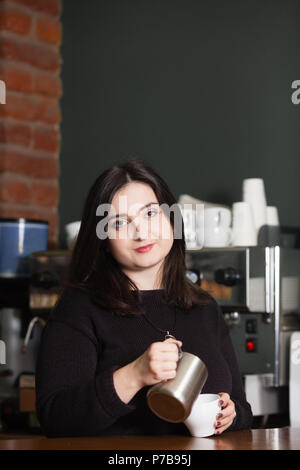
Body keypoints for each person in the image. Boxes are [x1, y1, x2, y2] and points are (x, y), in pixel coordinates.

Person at [35, 158, 253, 437]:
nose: (141, 232)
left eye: (151, 214)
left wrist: (231, 415)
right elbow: (55, 418)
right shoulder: (79, 309)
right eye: (119, 222)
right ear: (102, 240)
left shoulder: (204, 308)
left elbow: (243, 410)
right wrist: (134, 375)